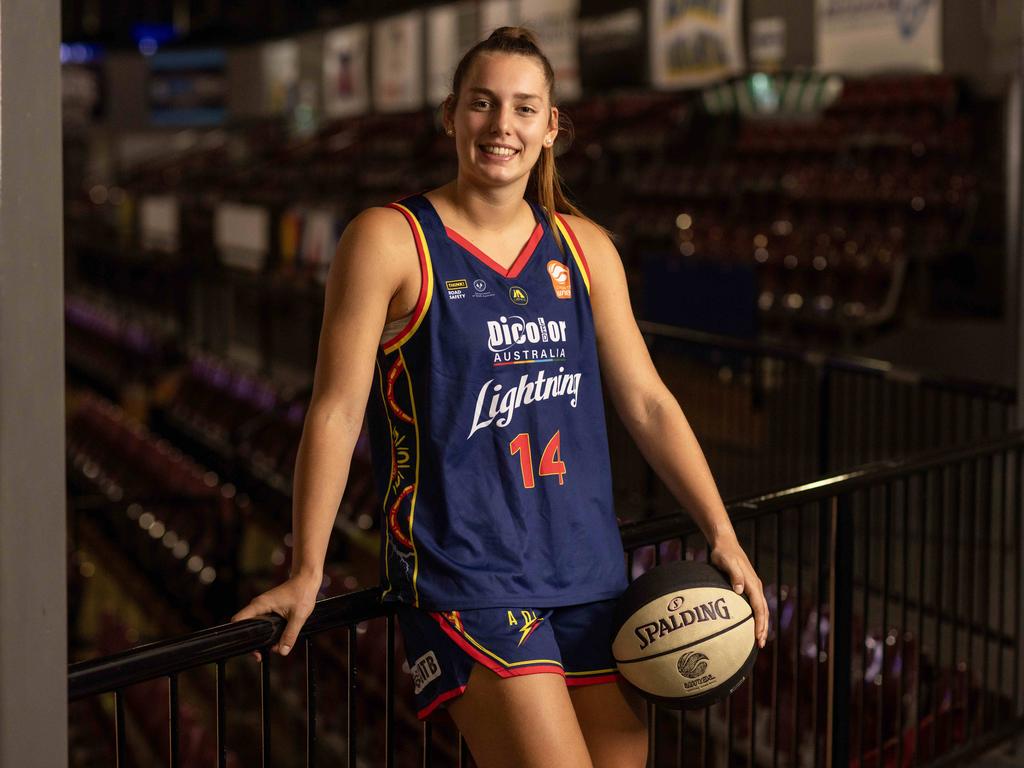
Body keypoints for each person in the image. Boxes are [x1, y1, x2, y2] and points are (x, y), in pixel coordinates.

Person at [231, 26, 769, 768]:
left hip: (587, 571)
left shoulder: (584, 248)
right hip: (468, 576)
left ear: (551, 129)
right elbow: (336, 411)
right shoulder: (390, 239)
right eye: (482, 104)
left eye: (523, 108)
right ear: (451, 114)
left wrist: (722, 530)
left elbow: (647, 401)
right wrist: (307, 568)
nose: (500, 126)